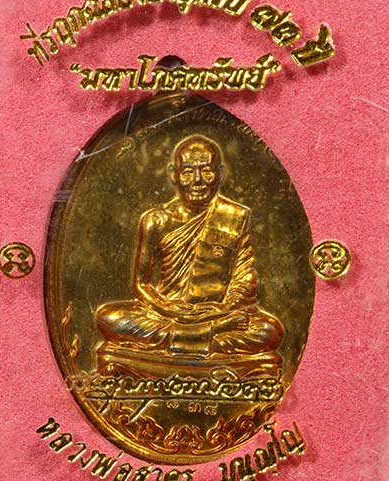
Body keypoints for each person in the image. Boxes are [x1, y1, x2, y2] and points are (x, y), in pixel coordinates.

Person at [95, 135, 283, 359]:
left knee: (269, 331)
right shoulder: (156, 220)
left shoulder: (235, 216)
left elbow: (244, 276)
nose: (197, 181)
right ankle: (206, 336)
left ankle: (182, 339)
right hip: (168, 314)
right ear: (173, 174)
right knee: (108, 317)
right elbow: (141, 284)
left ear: (221, 173)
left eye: (206, 171)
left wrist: (224, 308)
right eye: (187, 172)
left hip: (218, 312)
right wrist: (165, 307)